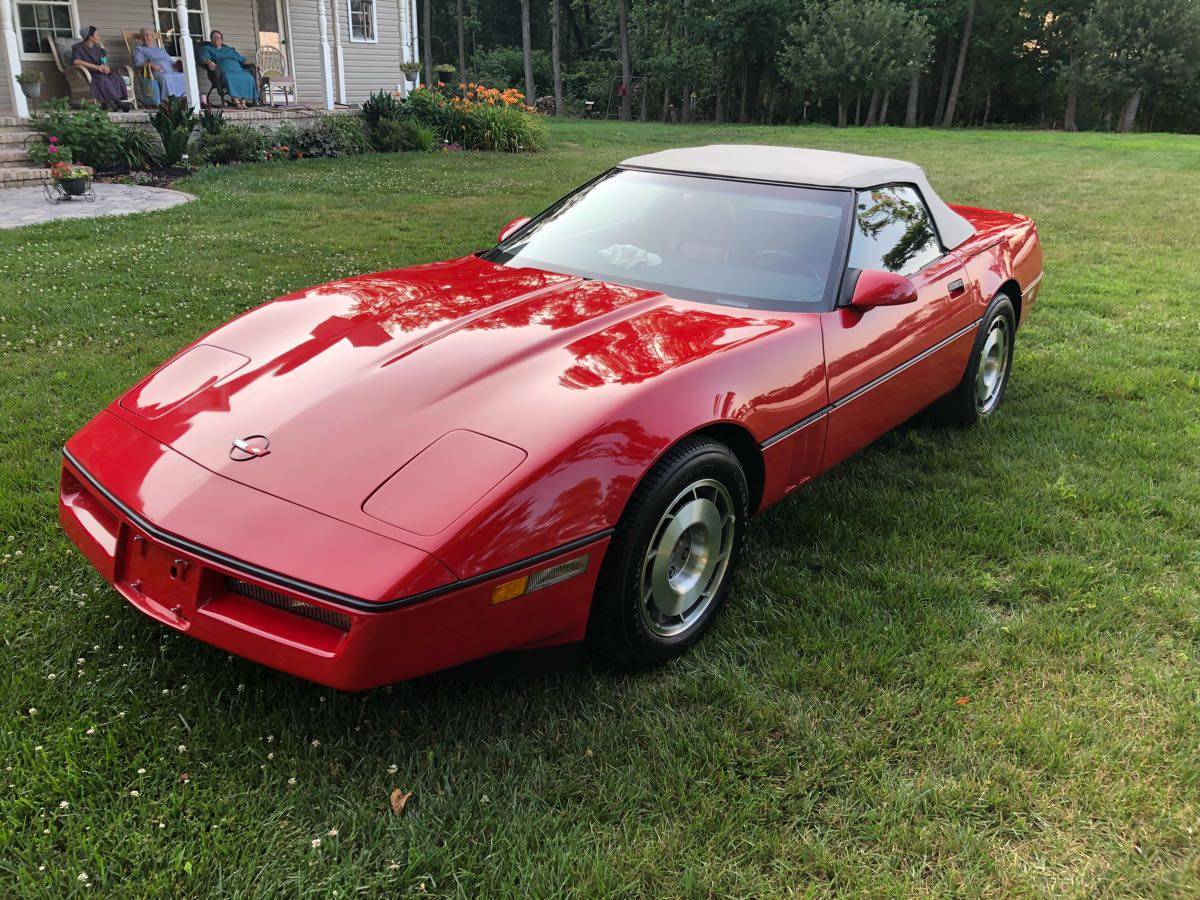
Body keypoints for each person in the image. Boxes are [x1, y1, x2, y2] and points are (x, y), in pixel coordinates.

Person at [71, 26, 130, 110]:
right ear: (90, 37)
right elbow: (76, 61)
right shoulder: (78, 48)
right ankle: (118, 103)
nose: (99, 37)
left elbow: (103, 62)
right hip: (88, 74)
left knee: (116, 77)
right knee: (102, 80)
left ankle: (112, 103)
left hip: (100, 72)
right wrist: (95, 67)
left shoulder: (98, 49)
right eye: (97, 35)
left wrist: (106, 68)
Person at [198, 30, 258, 108]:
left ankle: (243, 101)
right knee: (229, 77)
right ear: (211, 39)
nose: (217, 39)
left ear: (222, 40)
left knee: (249, 77)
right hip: (224, 71)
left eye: (219, 37)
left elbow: (241, 59)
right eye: (215, 37)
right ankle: (236, 101)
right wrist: (208, 61)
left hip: (238, 70)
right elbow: (203, 58)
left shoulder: (229, 49)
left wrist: (253, 63)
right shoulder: (207, 48)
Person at [132, 27, 187, 106]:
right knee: (166, 77)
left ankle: (183, 100)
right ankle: (170, 102)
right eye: (142, 36)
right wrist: (150, 64)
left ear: (152, 37)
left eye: (147, 35)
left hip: (170, 70)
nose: (145, 38)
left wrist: (179, 64)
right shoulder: (139, 49)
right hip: (152, 73)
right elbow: (137, 64)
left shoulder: (161, 50)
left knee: (183, 76)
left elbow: (171, 61)